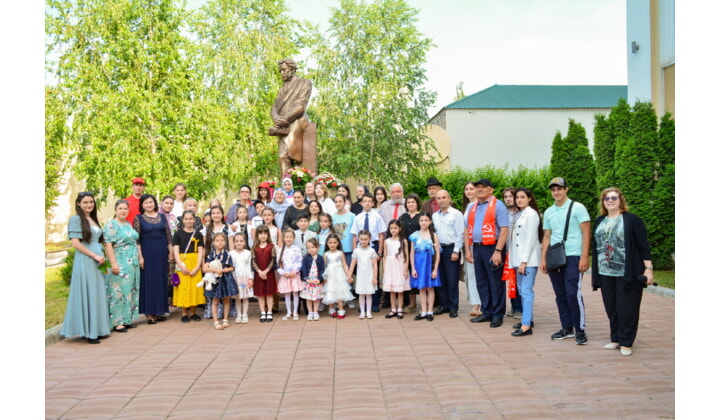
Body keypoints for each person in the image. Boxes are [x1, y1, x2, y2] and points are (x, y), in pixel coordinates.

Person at [591, 187, 654, 356]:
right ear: (603, 202)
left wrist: (648, 269)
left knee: (627, 308)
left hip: (628, 272)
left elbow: (643, 246)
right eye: (606, 198)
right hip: (605, 272)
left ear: (620, 201)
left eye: (614, 198)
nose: (610, 201)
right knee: (611, 307)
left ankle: (626, 342)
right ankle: (616, 338)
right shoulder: (600, 220)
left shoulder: (632, 219)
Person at [540, 177, 591, 345]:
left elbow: (586, 232)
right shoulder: (549, 211)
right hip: (555, 256)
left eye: (559, 189)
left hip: (573, 255)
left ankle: (580, 329)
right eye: (553, 190)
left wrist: (584, 256)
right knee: (560, 294)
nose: (556, 192)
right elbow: (547, 236)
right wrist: (544, 258)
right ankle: (567, 327)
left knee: (572, 293)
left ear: (566, 189)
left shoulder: (578, 208)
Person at [61, 192, 112, 343]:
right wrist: (95, 256)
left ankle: (98, 329)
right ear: (78, 204)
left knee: (97, 292)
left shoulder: (93, 219)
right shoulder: (76, 219)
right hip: (86, 260)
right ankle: (89, 332)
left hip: (98, 260)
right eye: (85, 202)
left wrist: (103, 259)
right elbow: (76, 243)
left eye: (91, 202)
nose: (89, 205)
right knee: (88, 292)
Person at [466, 179, 509, 328]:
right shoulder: (473, 206)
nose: (479, 189)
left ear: (491, 189)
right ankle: (487, 311)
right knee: (482, 281)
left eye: (483, 187)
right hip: (477, 247)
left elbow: (504, 229)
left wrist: (498, 251)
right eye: (477, 187)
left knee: (495, 282)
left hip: (493, 247)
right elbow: (467, 228)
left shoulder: (499, 205)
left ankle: (497, 314)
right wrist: (468, 250)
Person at [269, 58, 313, 174]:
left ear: (292, 69)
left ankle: (302, 183)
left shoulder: (304, 83)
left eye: (284, 70)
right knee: (283, 157)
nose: (282, 73)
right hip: (283, 126)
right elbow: (274, 107)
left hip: (297, 122)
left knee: (298, 158)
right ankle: (286, 184)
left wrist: (286, 119)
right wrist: (277, 119)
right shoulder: (282, 89)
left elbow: (300, 106)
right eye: (280, 71)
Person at [103, 199, 141, 333]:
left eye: (125, 208)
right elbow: (107, 245)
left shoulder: (128, 224)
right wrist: (113, 263)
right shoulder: (111, 225)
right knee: (118, 291)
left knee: (129, 291)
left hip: (131, 263)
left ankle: (126, 319)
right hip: (119, 261)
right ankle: (117, 322)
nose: (123, 211)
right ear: (115, 210)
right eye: (120, 208)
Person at [134, 194, 173, 325]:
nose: (149, 205)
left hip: (161, 252)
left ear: (155, 203)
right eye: (146, 203)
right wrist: (140, 256)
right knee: (149, 282)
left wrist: (170, 250)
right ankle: (149, 313)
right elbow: (137, 240)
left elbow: (168, 236)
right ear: (142, 205)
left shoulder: (162, 217)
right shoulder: (138, 218)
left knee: (161, 281)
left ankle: (160, 311)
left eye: (151, 202)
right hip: (147, 252)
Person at [509, 188, 542, 337]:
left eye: (522, 197)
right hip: (519, 259)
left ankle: (526, 325)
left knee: (526, 291)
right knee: (522, 290)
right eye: (517, 197)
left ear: (529, 198)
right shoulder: (521, 214)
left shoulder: (531, 214)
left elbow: (530, 239)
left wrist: (523, 261)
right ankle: (526, 319)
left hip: (528, 260)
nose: (519, 200)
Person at [431, 189, 465, 318]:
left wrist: (456, 251)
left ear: (449, 198)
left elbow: (460, 234)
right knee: (441, 279)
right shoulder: (435, 216)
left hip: (451, 249)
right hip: (439, 250)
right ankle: (444, 305)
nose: (442, 200)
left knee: (452, 280)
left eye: (444, 197)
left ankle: (453, 306)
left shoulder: (456, 214)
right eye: (439, 198)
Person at [350, 193, 387, 312]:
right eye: (365, 201)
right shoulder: (357, 218)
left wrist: (380, 251)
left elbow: (381, 235)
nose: (367, 203)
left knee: (374, 274)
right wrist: (355, 251)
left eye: (369, 201)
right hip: (360, 249)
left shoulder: (377, 217)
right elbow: (354, 236)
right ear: (361, 203)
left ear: (373, 203)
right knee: (362, 274)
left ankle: (374, 303)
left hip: (373, 247)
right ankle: (363, 304)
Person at [172, 210, 205, 323]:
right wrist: (181, 266)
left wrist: (197, 267)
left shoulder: (198, 234)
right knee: (184, 287)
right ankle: (184, 312)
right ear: (182, 220)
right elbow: (176, 251)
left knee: (194, 287)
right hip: (183, 262)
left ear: (194, 220)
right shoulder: (177, 234)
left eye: (191, 219)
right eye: (186, 219)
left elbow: (200, 252)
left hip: (195, 261)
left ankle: (193, 312)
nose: (188, 221)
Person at [409, 212, 441, 321]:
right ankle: (423, 311)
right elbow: (412, 253)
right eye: (421, 220)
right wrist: (413, 268)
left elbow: (437, 253)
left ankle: (430, 311)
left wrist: (435, 269)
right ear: (419, 222)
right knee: (421, 288)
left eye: (426, 220)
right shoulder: (415, 235)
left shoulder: (434, 236)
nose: (424, 222)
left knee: (430, 288)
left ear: (430, 221)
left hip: (430, 264)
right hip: (419, 265)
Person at [203, 232, 238, 330]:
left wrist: (226, 270)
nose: (220, 242)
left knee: (226, 299)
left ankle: (225, 318)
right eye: (217, 241)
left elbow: (232, 267)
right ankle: (215, 321)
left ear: (225, 242)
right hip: (215, 279)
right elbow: (205, 268)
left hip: (225, 279)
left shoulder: (227, 254)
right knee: (215, 300)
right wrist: (215, 271)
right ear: (213, 243)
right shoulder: (211, 255)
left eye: (222, 240)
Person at [347, 230, 379, 319]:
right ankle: (362, 311)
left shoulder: (372, 251)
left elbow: (375, 265)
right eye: (361, 239)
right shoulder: (356, 251)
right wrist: (349, 275)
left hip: (369, 275)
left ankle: (368, 311)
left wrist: (375, 277)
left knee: (368, 294)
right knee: (361, 294)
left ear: (369, 239)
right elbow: (352, 265)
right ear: (358, 239)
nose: (364, 241)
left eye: (365, 239)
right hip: (361, 276)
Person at [399, 193, 422, 314]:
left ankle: (424, 303)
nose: (411, 204)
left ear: (417, 203)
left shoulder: (422, 216)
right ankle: (412, 303)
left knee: (420, 275)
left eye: (413, 202)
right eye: (408, 202)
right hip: (405, 249)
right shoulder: (403, 217)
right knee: (408, 276)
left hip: (419, 250)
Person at [382, 220, 410, 318]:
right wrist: (384, 270)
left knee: (400, 290)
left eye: (395, 228)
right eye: (391, 228)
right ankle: (393, 309)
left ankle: (400, 308)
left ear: (400, 229)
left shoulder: (403, 241)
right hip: (390, 267)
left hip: (400, 266)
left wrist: (405, 269)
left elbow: (406, 256)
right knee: (392, 290)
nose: (393, 230)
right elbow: (385, 256)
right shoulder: (387, 241)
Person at [461, 182, 481, 317]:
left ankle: (481, 303)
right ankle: (475, 303)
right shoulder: (468, 206)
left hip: (477, 244)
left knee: (479, 274)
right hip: (468, 245)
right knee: (471, 274)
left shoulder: (480, 205)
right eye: (466, 189)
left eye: (471, 189)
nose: (469, 191)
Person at [322, 233, 354, 319]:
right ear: (327, 243)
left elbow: (345, 265)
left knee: (339, 291)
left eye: (334, 243)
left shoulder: (340, 253)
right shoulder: (326, 254)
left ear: (338, 243)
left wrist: (349, 275)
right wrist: (324, 278)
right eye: (330, 243)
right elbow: (324, 267)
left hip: (339, 275)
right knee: (330, 291)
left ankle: (341, 310)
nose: (332, 244)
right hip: (330, 276)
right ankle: (331, 310)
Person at [503, 187, 523, 319]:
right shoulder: (503, 213)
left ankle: (519, 308)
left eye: (511, 196)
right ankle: (514, 306)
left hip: (518, 252)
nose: (508, 199)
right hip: (506, 251)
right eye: (506, 197)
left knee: (518, 281)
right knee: (511, 280)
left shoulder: (522, 213)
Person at [251, 225, 277, 323]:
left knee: (269, 293)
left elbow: (273, 260)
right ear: (257, 235)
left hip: (269, 273)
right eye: (260, 233)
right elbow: (253, 261)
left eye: (265, 233)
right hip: (258, 274)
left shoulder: (271, 246)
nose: (263, 235)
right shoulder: (254, 247)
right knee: (260, 294)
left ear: (268, 235)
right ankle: (262, 312)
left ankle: (269, 311)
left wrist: (266, 271)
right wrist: (259, 272)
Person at [276, 229, 303, 321]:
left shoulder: (296, 249)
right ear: (283, 238)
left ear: (294, 238)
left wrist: (295, 271)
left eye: (291, 237)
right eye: (287, 237)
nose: (289, 239)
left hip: (294, 275)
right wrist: (284, 273)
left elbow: (299, 261)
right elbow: (278, 263)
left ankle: (295, 312)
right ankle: (288, 312)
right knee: (287, 294)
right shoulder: (281, 250)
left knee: (295, 293)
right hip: (285, 276)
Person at [230, 234, 254, 324]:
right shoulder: (231, 253)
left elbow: (250, 266)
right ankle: (239, 314)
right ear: (234, 243)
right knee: (237, 297)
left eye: (241, 241)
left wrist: (251, 278)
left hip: (245, 277)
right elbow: (230, 266)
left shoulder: (248, 253)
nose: (239, 243)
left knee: (245, 297)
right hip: (235, 278)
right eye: (237, 241)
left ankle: (245, 314)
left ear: (245, 242)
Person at [301, 238, 325, 320]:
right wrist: (306, 278)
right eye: (309, 248)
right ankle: (310, 312)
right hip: (308, 282)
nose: (311, 249)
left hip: (316, 281)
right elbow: (303, 268)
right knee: (308, 298)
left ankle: (315, 312)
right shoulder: (305, 258)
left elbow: (322, 270)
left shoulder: (320, 258)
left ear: (317, 247)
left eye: (313, 247)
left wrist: (319, 279)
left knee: (316, 298)